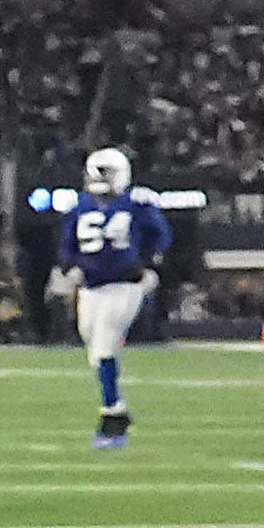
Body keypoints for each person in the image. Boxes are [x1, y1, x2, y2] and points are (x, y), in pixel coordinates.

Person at [60, 142, 167, 445]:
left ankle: (110, 416)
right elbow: (69, 241)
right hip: (92, 286)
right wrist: (70, 264)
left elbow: (160, 237)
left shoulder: (137, 203)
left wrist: (148, 265)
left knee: (106, 346)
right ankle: (118, 407)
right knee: (92, 345)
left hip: (125, 283)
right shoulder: (81, 205)